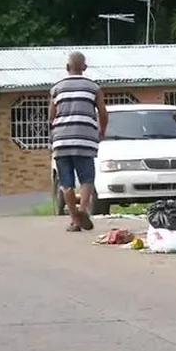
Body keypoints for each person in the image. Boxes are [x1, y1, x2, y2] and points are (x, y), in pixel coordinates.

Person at [49, 51, 108, 232]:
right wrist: (101, 131)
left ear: (67, 68)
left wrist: (53, 138)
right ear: (85, 67)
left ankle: (75, 220)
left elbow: (51, 117)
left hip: (61, 141)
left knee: (66, 182)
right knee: (87, 179)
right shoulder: (93, 87)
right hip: (84, 139)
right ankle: (83, 210)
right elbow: (103, 113)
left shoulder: (56, 88)